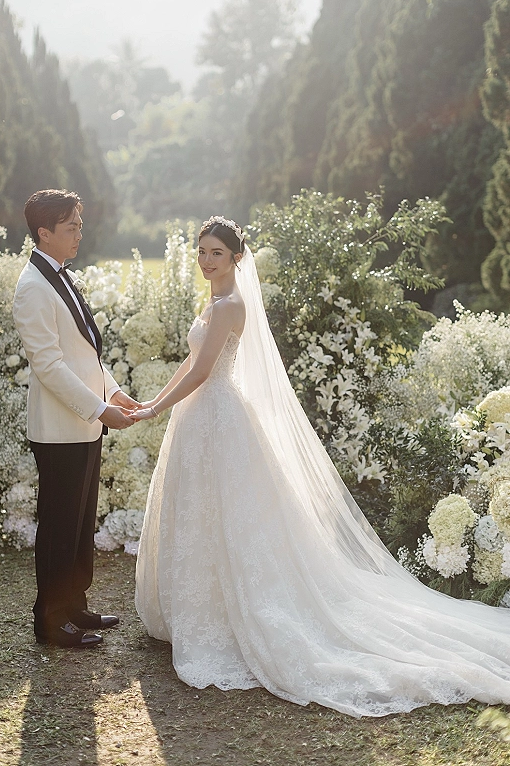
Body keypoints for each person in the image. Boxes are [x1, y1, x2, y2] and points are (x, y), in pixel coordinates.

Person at [132, 215, 510, 717]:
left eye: (215, 253)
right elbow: (190, 364)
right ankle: (199, 611)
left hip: (220, 416)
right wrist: (152, 402)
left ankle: (235, 618)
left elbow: (203, 370)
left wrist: (155, 410)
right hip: (201, 418)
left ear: (236, 258)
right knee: (201, 512)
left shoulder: (232, 306)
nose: (206, 261)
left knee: (233, 518)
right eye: (201, 252)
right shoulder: (213, 302)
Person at [13, 189, 137, 648]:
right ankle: (50, 621)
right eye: (71, 228)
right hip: (60, 427)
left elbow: (84, 352)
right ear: (44, 233)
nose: (79, 234)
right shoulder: (32, 288)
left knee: (81, 521)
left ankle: (75, 606)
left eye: (80, 226)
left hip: (85, 421)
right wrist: (99, 408)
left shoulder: (62, 276)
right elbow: (49, 366)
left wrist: (114, 391)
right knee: (59, 525)